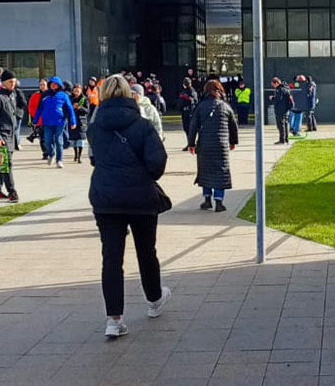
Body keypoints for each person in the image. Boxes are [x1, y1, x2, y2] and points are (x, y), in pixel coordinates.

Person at [87, 74, 171, 340]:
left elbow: (94, 159)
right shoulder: (142, 126)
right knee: (146, 251)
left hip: (106, 198)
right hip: (140, 198)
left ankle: (114, 319)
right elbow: (157, 164)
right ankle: (154, 300)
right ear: (129, 94)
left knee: (111, 258)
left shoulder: (95, 128)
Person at [188, 79, 238, 212]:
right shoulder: (225, 106)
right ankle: (219, 202)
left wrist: (191, 143)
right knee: (221, 172)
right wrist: (233, 142)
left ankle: (207, 200)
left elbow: (193, 126)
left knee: (205, 172)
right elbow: (233, 126)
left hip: (205, 145)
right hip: (221, 145)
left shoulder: (201, 106)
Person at [0, 70, 19, 202]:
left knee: (2, 163)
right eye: (10, 82)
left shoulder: (12, 95)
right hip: (2, 135)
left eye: (14, 81)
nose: (13, 84)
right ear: (3, 83)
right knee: (7, 163)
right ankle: (12, 192)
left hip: (11, 135)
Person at [34, 76, 77, 168]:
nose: (53, 85)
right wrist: (35, 120)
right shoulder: (45, 94)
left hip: (59, 122)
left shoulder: (63, 95)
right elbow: (39, 108)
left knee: (59, 140)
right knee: (47, 141)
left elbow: (70, 109)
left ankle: (59, 160)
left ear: (59, 85)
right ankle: (51, 153)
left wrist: (73, 121)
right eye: (52, 84)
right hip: (47, 122)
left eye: (55, 84)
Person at [270, 77, 293, 145]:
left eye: (273, 85)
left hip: (280, 109)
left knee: (280, 125)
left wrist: (272, 98)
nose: (273, 86)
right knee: (285, 124)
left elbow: (278, 99)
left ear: (276, 83)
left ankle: (282, 139)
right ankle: (286, 139)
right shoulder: (286, 88)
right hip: (286, 109)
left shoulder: (280, 89)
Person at [69, 85, 89, 163]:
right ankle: (75, 154)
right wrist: (72, 107)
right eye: (75, 91)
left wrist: (80, 107)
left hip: (81, 121)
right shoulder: (70, 98)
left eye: (78, 91)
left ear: (81, 91)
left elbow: (87, 110)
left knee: (80, 140)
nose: (76, 93)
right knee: (74, 140)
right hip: (73, 121)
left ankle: (79, 156)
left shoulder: (84, 99)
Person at [177, 78, 198, 146]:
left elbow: (193, 101)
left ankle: (191, 143)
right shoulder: (191, 92)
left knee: (189, 128)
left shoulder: (187, 93)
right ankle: (190, 143)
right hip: (189, 112)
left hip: (188, 113)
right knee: (189, 128)